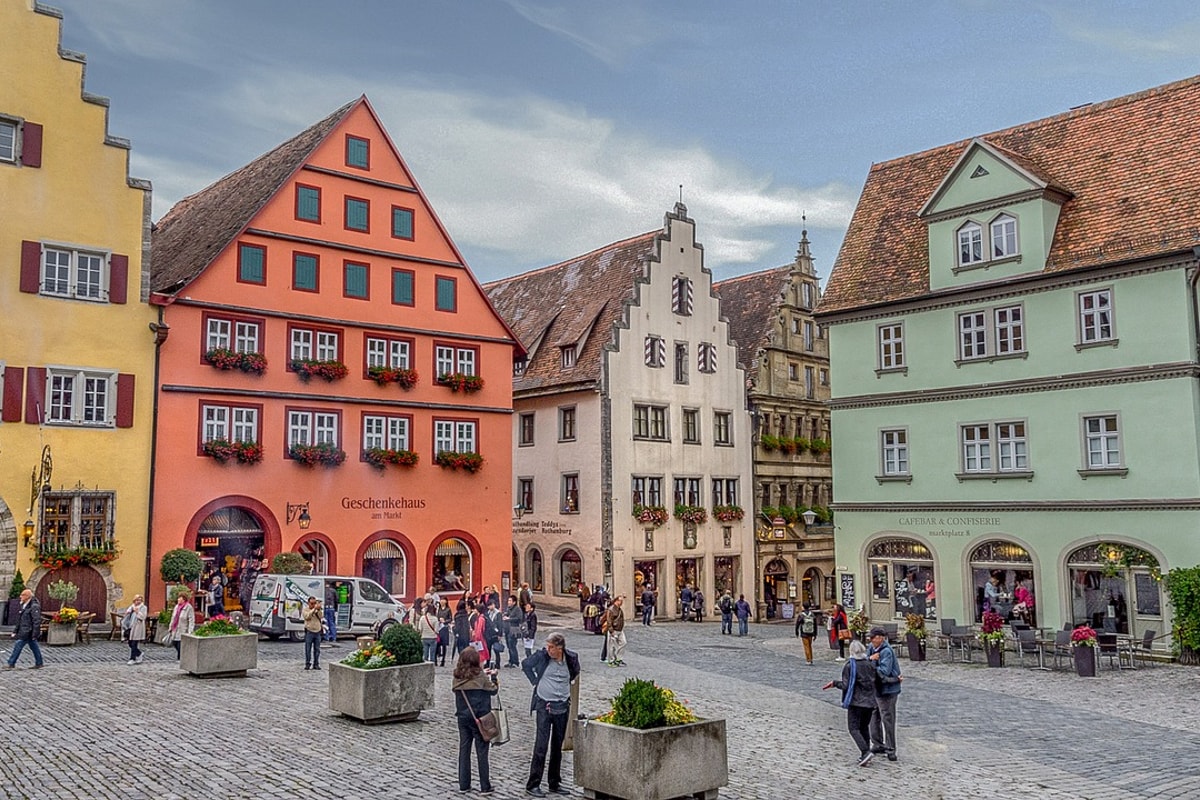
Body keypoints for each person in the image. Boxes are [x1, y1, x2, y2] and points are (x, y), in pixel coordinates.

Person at [522, 632, 579, 797]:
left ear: (560, 648)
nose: (548, 650)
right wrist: (535, 681)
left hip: (562, 705)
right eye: (548, 646)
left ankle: (554, 782)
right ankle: (533, 784)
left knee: (557, 747)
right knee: (541, 746)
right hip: (544, 705)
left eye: (551, 647)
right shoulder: (542, 656)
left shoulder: (571, 659)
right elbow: (525, 664)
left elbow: (575, 673)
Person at [822, 639, 878, 767]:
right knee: (864, 727)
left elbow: (846, 685)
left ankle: (865, 751)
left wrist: (835, 683)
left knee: (853, 728)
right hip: (870, 701)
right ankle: (865, 752)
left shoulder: (850, 666)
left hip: (856, 702)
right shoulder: (869, 664)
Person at [453, 647, 498, 795]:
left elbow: (469, 679)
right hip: (480, 718)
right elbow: (493, 690)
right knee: (482, 752)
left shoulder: (457, 676)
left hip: (463, 717)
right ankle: (485, 786)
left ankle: (464, 784)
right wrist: (494, 677)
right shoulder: (481, 677)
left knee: (464, 750)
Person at [867, 626, 902, 761]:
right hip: (875, 689)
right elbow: (865, 661)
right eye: (871, 638)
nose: (871, 640)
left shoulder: (886, 651)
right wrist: (871, 659)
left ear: (881, 638)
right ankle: (877, 743)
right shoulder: (871, 648)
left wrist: (872, 662)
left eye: (873, 638)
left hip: (888, 690)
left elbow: (884, 672)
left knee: (887, 719)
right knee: (873, 716)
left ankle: (891, 748)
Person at [5, 589, 44, 670]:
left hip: (28, 631)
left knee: (18, 645)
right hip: (25, 631)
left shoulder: (34, 606)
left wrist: (35, 634)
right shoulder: (25, 605)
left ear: (27, 596)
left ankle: (11, 663)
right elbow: (20, 620)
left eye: (22, 595)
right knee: (34, 647)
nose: (20, 596)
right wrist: (15, 630)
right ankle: (39, 663)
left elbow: (36, 621)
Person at [166, 591, 196, 660]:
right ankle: (182, 657)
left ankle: (181, 659)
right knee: (174, 643)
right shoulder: (177, 607)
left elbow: (191, 620)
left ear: (184, 599)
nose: (178, 599)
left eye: (180, 598)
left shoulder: (189, 607)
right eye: (178, 598)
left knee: (180, 645)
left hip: (183, 629)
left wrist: (190, 631)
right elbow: (173, 617)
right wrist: (170, 627)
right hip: (175, 629)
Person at [123, 595, 148, 665]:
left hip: (138, 627)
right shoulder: (132, 607)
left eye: (139, 600)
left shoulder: (143, 607)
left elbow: (143, 617)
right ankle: (139, 653)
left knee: (134, 643)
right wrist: (127, 613)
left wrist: (137, 612)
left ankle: (132, 658)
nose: (138, 601)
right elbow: (127, 614)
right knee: (130, 643)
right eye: (137, 600)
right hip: (131, 626)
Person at [604, 595, 626, 667]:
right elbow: (609, 621)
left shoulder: (619, 609)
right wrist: (611, 630)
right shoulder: (611, 609)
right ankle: (611, 660)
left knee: (623, 643)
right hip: (614, 630)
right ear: (616, 601)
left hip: (620, 629)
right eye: (620, 601)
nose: (621, 602)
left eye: (622, 601)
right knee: (612, 646)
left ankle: (619, 659)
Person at [302, 596, 323, 670]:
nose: (313, 605)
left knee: (317, 649)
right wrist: (313, 610)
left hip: (317, 631)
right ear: (308, 603)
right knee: (308, 649)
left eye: (314, 603)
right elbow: (307, 617)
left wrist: (319, 609)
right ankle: (307, 664)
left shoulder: (318, 610)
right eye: (312, 603)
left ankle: (316, 664)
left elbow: (321, 616)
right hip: (309, 631)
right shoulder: (305, 609)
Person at [504, 594, 524, 667]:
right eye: (508, 600)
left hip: (513, 630)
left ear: (514, 602)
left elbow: (519, 618)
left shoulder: (517, 609)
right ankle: (511, 661)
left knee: (512, 646)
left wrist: (509, 619)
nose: (508, 602)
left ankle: (515, 662)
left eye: (510, 601)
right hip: (507, 629)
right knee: (509, 646)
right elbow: (506, 615)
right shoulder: (508, 609)